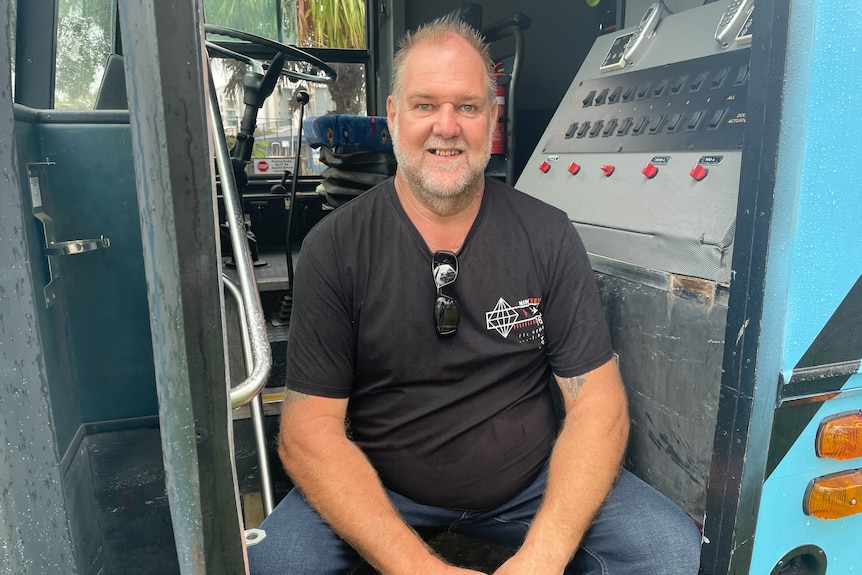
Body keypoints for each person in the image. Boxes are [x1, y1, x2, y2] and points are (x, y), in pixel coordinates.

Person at [248, 16, 702, 575]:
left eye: (467, 107)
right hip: (383, 486)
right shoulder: (335, 247)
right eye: (424, 105)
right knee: (278, 563)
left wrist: (543, 556)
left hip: (529, 483)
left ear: (491, 121)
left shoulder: (548, 234)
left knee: (668, 551)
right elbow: (307, 435)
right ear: (392, 116)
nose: (447, 126)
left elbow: (598, 406)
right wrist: (416, 567)